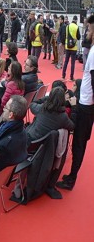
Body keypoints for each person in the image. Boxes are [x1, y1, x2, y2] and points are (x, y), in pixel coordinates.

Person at [57, 13, 94, 191]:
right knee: (80, 140)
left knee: (79, 142)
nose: (86, 31)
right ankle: (71, 176)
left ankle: (71, 179)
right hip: (87, 103)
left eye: (88, 28)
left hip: (87, 105)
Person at [0, 95, 29, 173]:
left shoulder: (3, 146)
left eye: (5, 107)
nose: (3, 109)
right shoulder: (22, 130)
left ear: (11, 115)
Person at [62, 16, 81, 81]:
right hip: (74, 47)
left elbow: (65, 35)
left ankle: (63, 76)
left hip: (67, 46)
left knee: (66, 62)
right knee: (73, 63)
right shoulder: (76, 27)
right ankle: (71, 77)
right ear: (76, 20)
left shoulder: (68, 26)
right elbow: (78, 37)